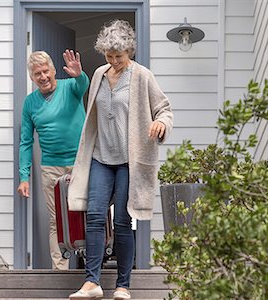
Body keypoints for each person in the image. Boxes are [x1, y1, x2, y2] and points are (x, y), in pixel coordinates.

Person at [68, 20, 173, 300]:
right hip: (101, 157)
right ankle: (92, 282)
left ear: (130, 51)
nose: (114, 61)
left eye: (119, 56)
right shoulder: (100, 74)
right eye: (109, 56)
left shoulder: (143, 76)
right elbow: (94, 113)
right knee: (94, 216)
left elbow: (164, 109)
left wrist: (161, 124)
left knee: (124, 221)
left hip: (130, 161)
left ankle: (123, 285)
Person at [17, 50, 89, 270]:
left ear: (53, 70)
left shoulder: (70, 88)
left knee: (86, 214)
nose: (43, 76)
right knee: (57, 220)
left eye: (45, 71)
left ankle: (90, 268)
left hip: (81, 162)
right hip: (51, 167)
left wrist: (79, 75)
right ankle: (60, 271)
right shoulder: (30, 103)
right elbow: (26, 141)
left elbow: (83, 85)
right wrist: (24, 177)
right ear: (32, 77)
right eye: (37, 73)